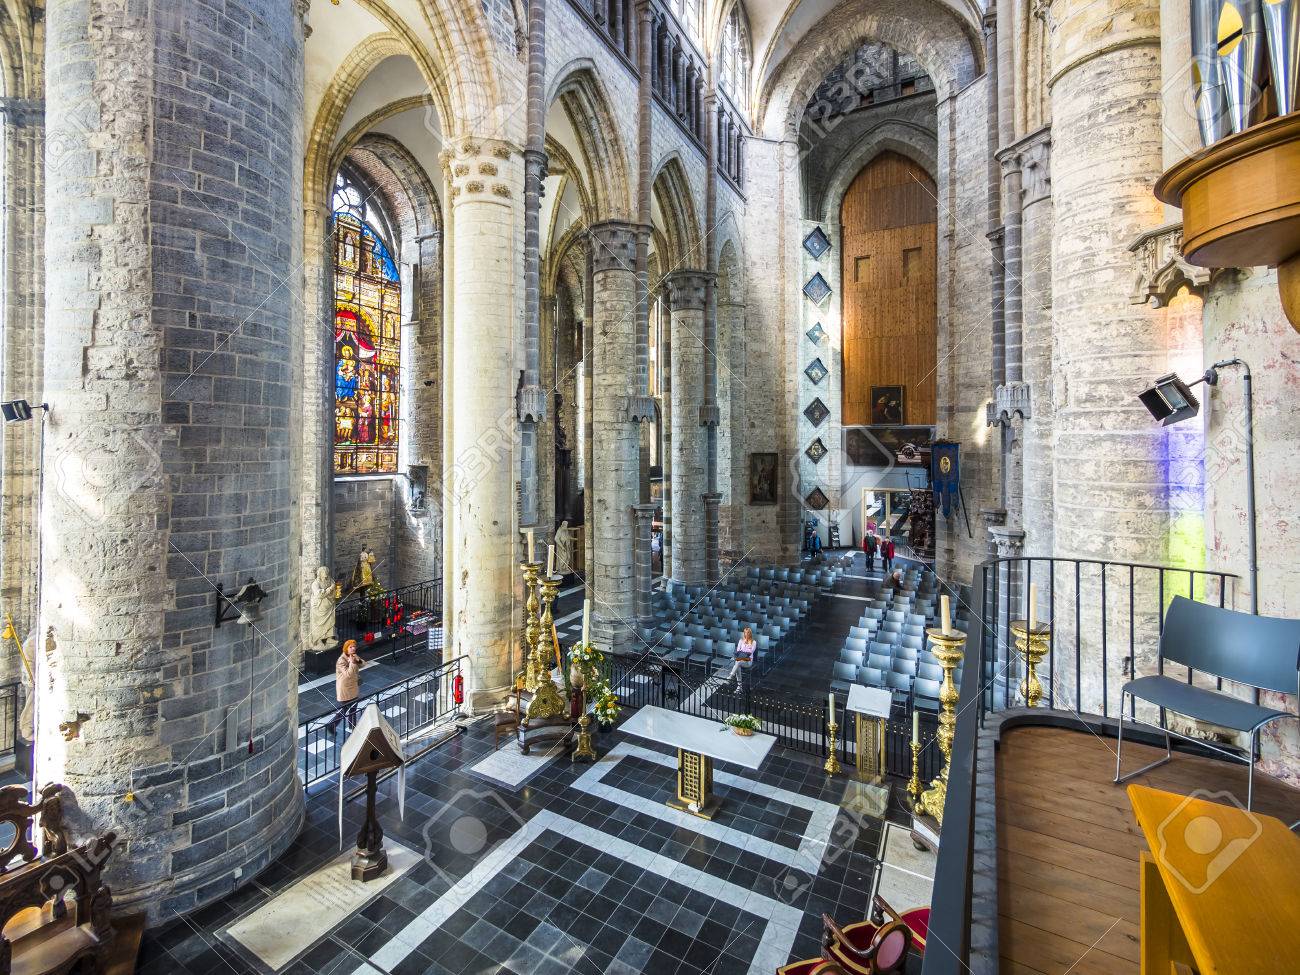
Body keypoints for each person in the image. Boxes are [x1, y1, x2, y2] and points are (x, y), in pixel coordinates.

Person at [328, 640, 364, 735]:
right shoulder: (341, 660)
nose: (353, 648)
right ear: (346, 648)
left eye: (354, 646)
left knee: (353, 708)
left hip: (353, 686)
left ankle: (352, 727)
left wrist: (357, 660)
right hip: (345, 688)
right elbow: (348, 674)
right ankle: (332, 725)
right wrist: (352, 663)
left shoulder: (353, 656)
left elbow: (363, 664)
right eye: (351, 647)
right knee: (345, 709)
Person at [728, 627, 757, 696]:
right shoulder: (741, 640)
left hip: (748, 660)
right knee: (738, 665)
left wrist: (743, 651)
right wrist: (743, 652)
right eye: (745, 633)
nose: (746, 634)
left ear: (750, 633)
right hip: (741, 659)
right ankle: (739, 687)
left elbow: (750, 652)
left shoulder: (753, 642)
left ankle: (731, 676)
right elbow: (738, 650)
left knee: (737, 662)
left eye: (748, 633)